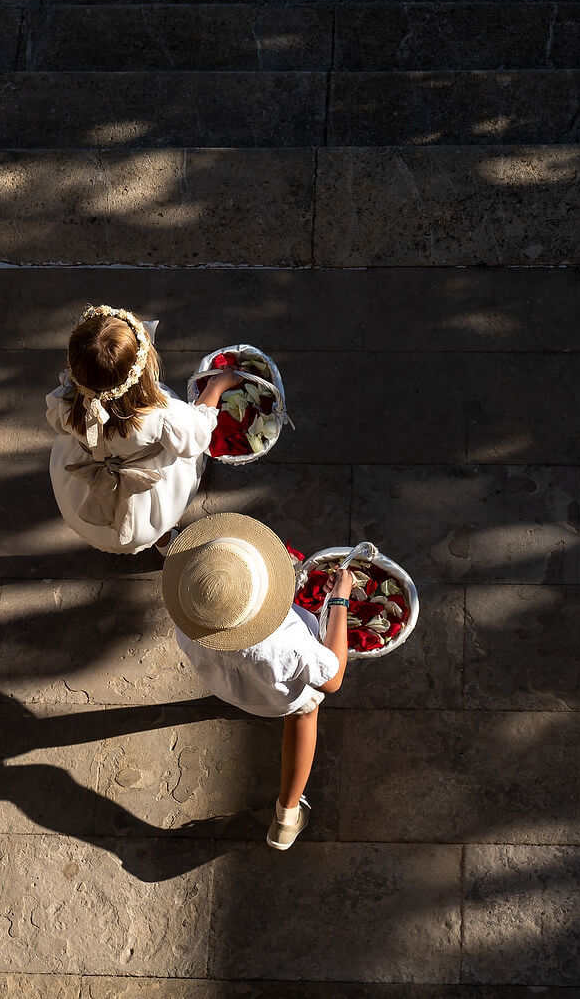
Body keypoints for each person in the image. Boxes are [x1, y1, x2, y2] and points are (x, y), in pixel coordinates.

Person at [161, 513, 353, 849]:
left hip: (226, 684)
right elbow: (333, 678)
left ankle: (287, 820)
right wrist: (339, 599)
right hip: (276, 694)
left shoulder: (188, 613)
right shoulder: (286, 640)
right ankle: (287, 815)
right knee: (306, 712)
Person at [46, 304, 238, 556]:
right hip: (147, 484)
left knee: (111, 521)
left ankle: (146, 538)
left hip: (85, 478)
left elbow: (57, 423)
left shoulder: (65, 402)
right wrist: (215, 387)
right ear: (144, 367)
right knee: (153, 518)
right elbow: (196, 436)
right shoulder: (160, 415)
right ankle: (164, 541)